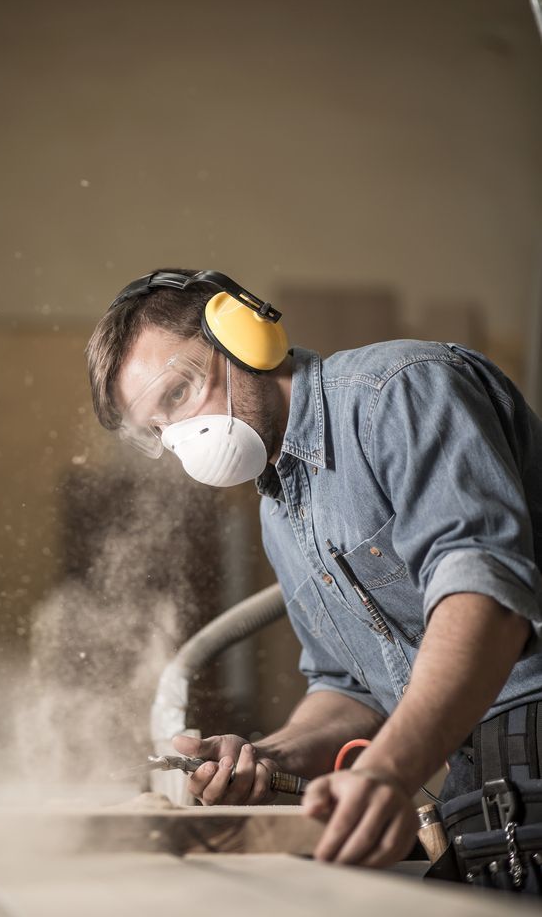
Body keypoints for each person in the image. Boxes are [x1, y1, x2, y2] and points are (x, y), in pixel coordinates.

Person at [85, 269, 542, 869]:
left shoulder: (400, 392)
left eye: (178, 395)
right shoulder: (279, 508)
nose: (180, 437)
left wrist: (384, 771)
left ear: (242, 335)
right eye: (157, 431)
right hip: (478, 778)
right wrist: (266, 758)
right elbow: (350, 690)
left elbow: (487, 600)